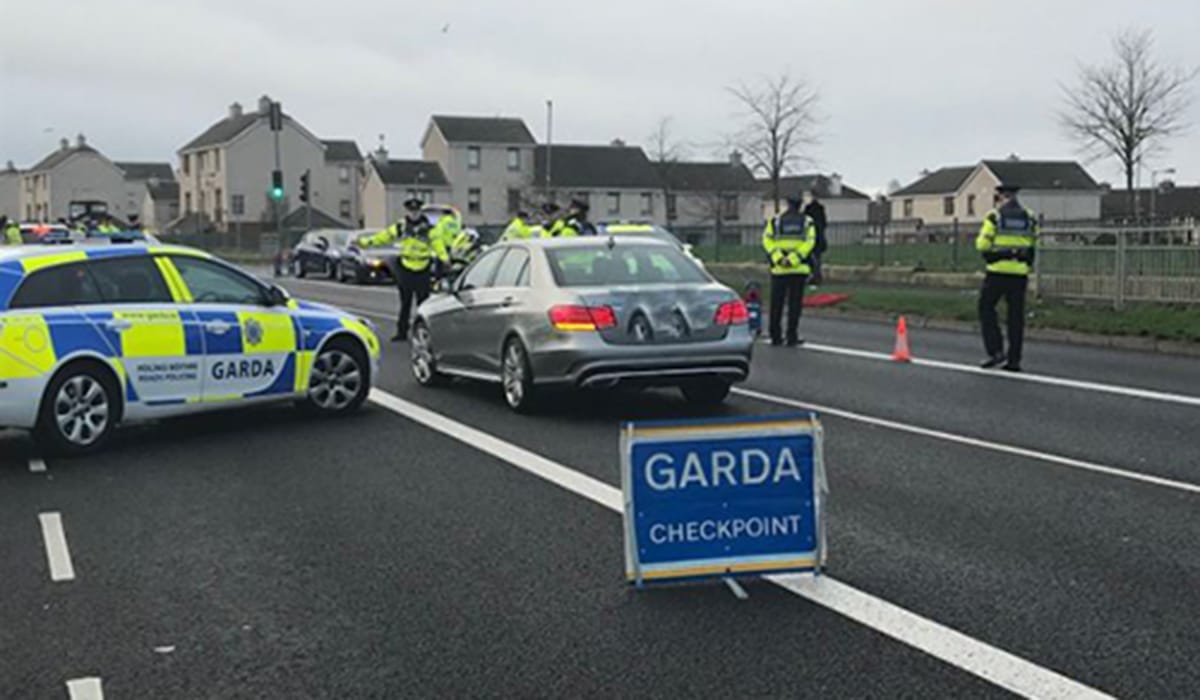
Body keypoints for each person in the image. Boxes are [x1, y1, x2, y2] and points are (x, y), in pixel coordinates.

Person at [358, 198, 441, 342]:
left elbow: (438, 244)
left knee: (423, 305)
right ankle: (402, 332)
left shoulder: (429, 228)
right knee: (405, 303)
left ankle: (424, 333)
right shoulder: (401, 226)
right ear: (407, 212)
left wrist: (444, 258)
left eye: (416, 211)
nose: (414, 214)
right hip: (406, 268)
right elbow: (384, 237)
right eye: (411, 211)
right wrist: (365, 242)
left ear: (420, 211)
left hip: (423, 268)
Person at [975, 185, 1038, 371]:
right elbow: (1036, 241)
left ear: (1002, 197)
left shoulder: (995, 216)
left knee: (986, 308)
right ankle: (1014, 360)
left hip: (997, 271)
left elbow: (982, 245)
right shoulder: (1030, 217)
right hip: (1019, 273)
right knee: (1016, 317)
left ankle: (995, 351)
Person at [762, 193, 817, 347]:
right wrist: (794, 259)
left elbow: (767, 240)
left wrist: (779, 258)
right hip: (799, 269)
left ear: (787, 204)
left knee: (776, 304)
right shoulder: (807, 222)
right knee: (794, 305)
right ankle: (791, 336)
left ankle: (775, 336)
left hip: (779, 269)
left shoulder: (776, 221)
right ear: (800, 205)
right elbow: (809, 243)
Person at [803, 191, 828, 285]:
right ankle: (817, 277)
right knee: (817, 259)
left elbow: (805, 222)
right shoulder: (820, 208)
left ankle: (811, 276)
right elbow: (824, 223)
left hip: (810, 237)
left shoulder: (808, 208)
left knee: (809, 258)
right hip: (819, 237)